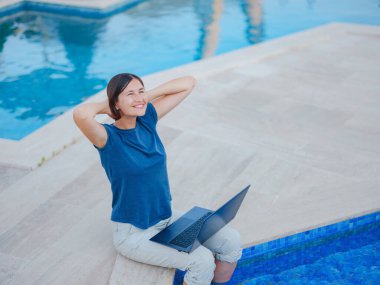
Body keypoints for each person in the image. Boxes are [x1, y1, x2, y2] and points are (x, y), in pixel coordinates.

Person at [73, 73, 243, 285]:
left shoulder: (146, 120)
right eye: (130, 94)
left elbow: (188, 83)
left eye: (141, 91)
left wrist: (142, 98)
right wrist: (110, 106)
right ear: (115, 103)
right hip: (134, 233)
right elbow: (81, 114)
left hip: (166, 218)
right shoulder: (107, 138)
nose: (139, 97)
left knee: (231, 241)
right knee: (201, 261)